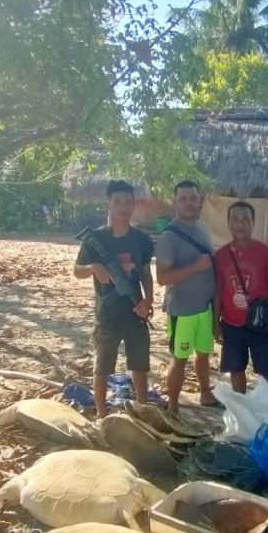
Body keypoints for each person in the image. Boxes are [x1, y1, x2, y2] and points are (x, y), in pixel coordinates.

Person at [74, 179, 154, 419]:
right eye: (117, 201)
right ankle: (101, 415)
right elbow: (77, 270)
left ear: (133, 205)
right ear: (108, 204)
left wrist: (147, 301)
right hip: (107, 316)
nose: (123, 206)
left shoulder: (141, 239)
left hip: (135, 313)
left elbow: (146, 274)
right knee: (102, 368)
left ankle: (142, 411)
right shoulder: (96, 238)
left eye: (128, 202)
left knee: (139, 366)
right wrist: (94, 267)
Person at [155, 180, 218, 413]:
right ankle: (172, 405)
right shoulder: (168, 236)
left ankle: (205, 394)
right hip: (182, 310)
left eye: (193, 198)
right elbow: (162, 278)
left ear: (199, 199)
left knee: (203, 354)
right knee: (180, 358)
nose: (189, 203)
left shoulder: (202, 227)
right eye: (183, 198)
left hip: (205, 307)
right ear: (175, 202)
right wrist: (195, 267)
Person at [213, 201, 268, 393]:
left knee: (266, 372)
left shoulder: (266, 253)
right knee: (236, 370)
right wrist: (215, 323)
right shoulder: (220, 256)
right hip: (231, 325)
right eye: (235, 219)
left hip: (260, 325)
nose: (240, 224)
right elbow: (218, 292)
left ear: (253, 222)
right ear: (228, 223)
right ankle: (241, 408)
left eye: (245, 219)